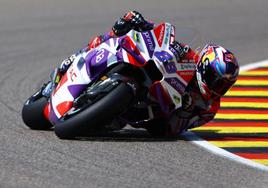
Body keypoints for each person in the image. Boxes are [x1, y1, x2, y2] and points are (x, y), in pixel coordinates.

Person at [54, 11, 239, 137]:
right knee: (119, 34)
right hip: (148, 77)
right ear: (204, 66)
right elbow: (162, 38)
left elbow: (174, 131)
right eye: (217, 80)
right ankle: (81, 57)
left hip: (149, 116)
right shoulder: (188, 55)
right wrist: (142, 24)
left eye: (224, 85)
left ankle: (96, 111)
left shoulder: (209, 108)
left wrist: (185, 111)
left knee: (111, 127)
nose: (218, 88)